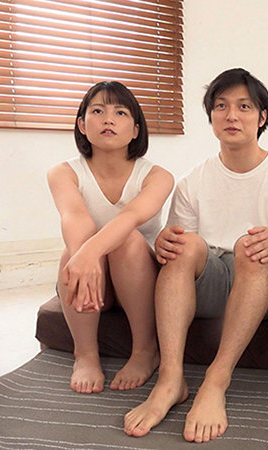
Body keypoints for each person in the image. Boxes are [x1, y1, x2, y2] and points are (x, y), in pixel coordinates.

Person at [123, 68, 268, 443]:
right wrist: (164, 244)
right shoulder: (192, 181)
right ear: (211, 116)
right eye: (221, 106)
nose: (231, 116)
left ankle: (216, 379)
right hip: (213, 281)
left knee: (249, 246)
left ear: (262, 117)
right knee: (185, 244)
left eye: (244, 106)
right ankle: (170, 379)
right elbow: (177, 253)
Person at [47, 81, 174, 394]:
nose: (108, 119)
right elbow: (74, 216)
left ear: (135, 130)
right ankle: (85, 354)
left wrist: (90, 253)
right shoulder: (63, 172)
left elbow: (130, 216)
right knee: (72, 253)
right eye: (97, 111)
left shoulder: (157, 176)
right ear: (82, 125)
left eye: (120, 113)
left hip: (139, 278)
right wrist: (84, 257)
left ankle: (145, 350)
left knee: (127, 239)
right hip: (95, 283)